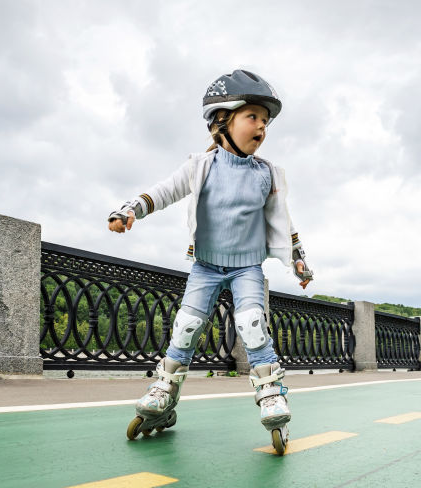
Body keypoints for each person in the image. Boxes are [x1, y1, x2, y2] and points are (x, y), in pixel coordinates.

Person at [108, 69, 312, 454]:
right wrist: (131, 210)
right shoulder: (201, 166)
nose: (261, 127)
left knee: (251, 323)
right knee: (186, 326)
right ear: (222, 121)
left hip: (247, 266)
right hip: (205, 264)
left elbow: (283, 223)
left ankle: (271, 393)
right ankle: (164, 394)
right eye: (252, 117)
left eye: (265, 121)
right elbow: (165, 191)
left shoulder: (266, 174)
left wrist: (298, 261)